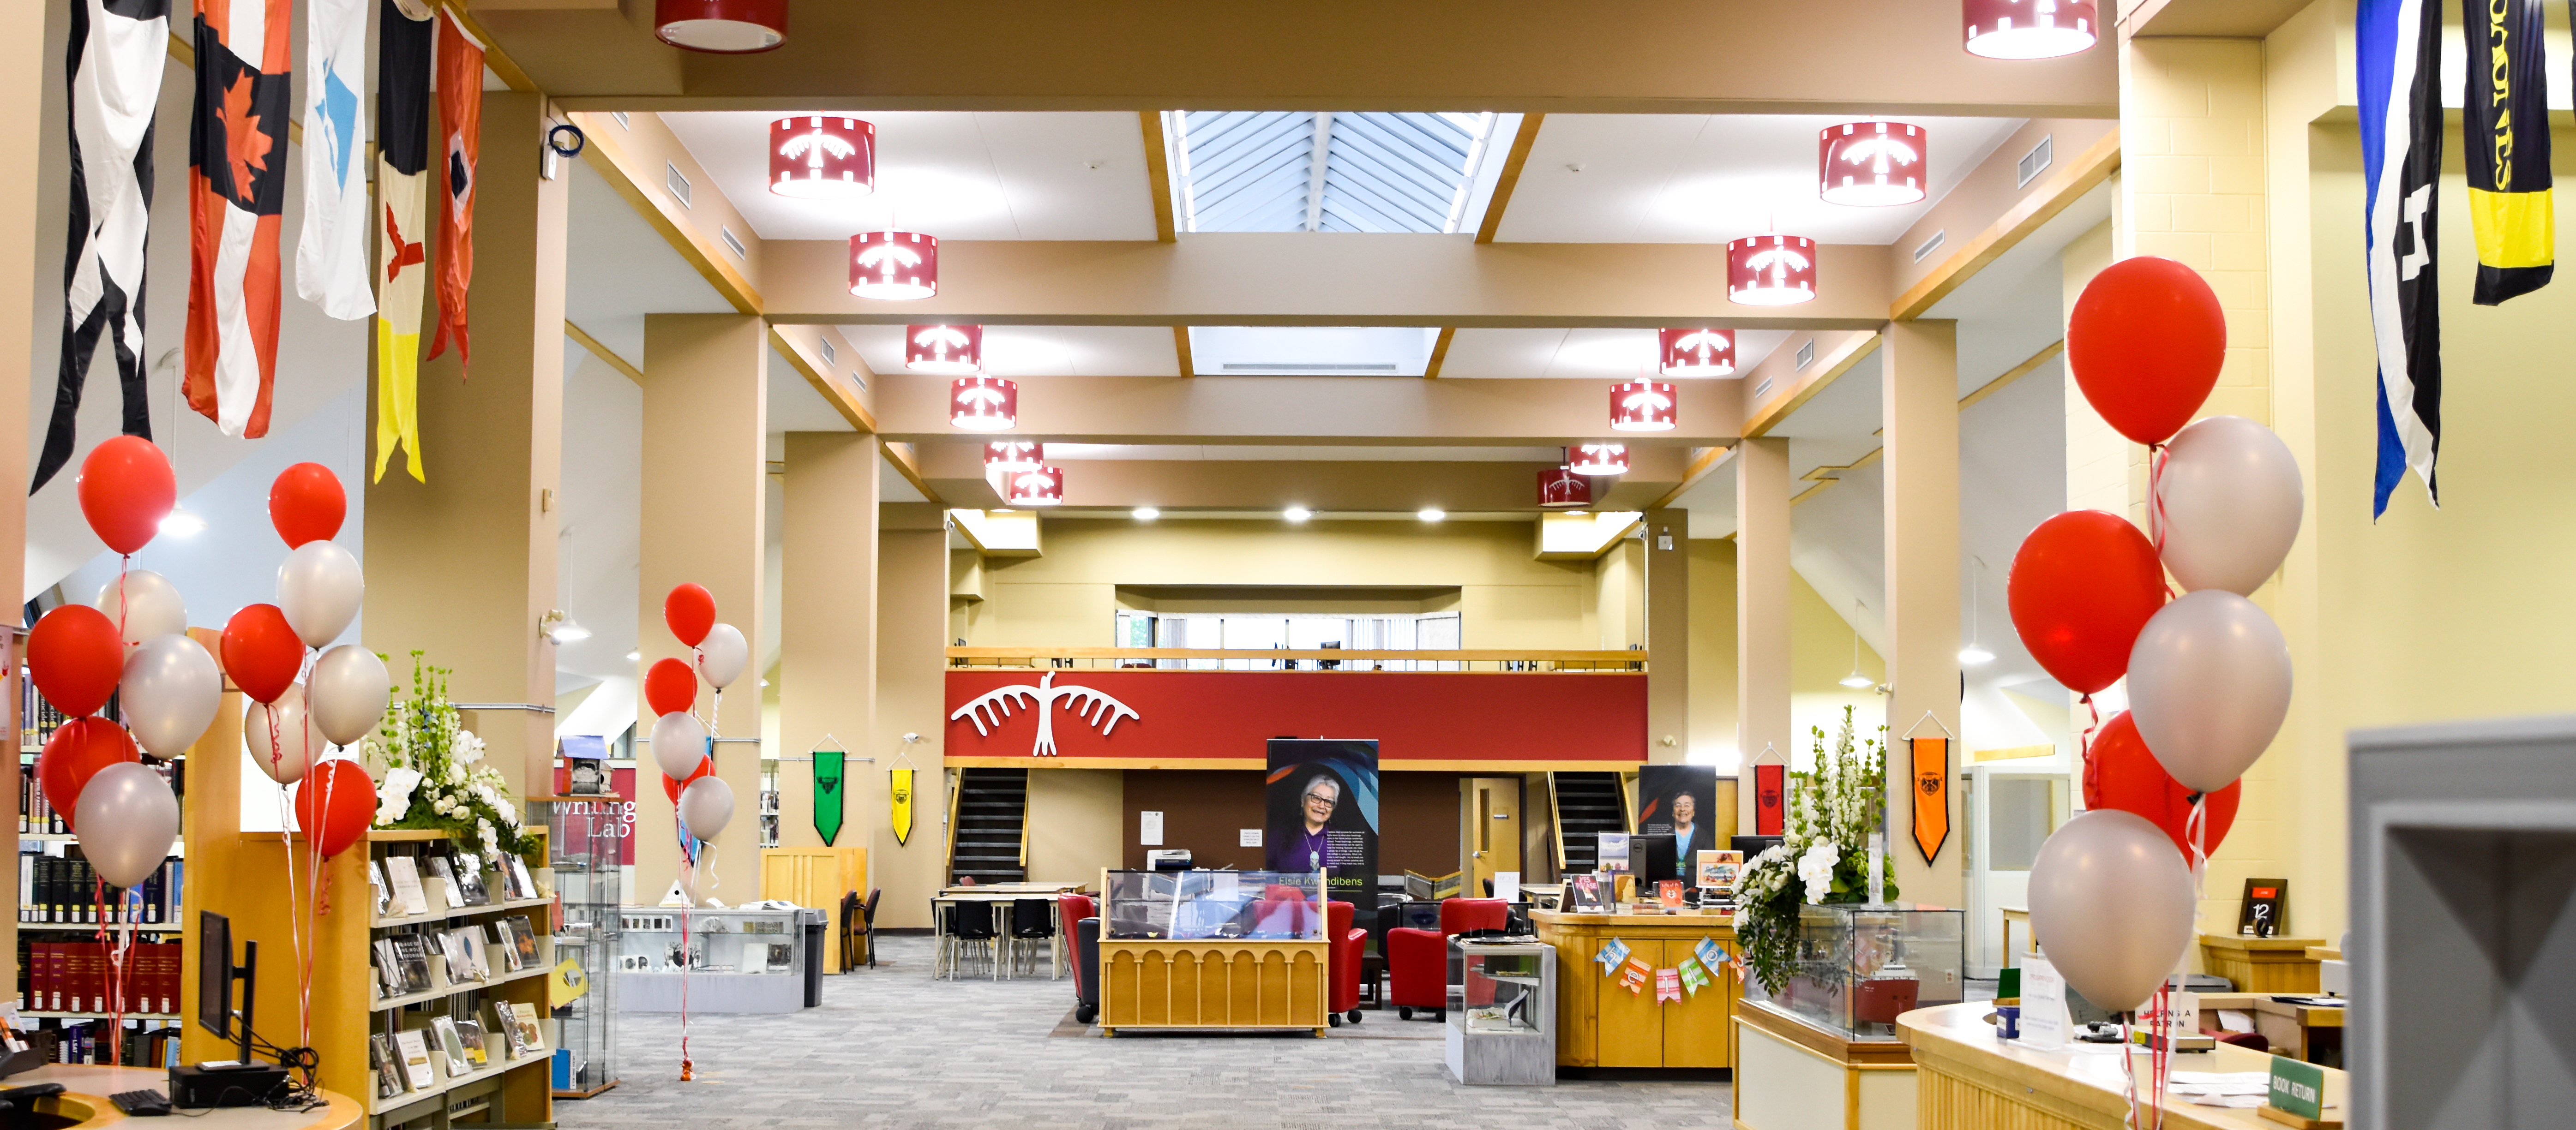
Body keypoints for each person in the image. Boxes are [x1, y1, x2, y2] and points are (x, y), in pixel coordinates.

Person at [1268, 772, 1340, 873]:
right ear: (1303, 801)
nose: (1321, 806)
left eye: (1328, 802)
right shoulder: (1280, 836)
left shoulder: (1341, 841)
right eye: (1316, 798)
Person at [1667, 791, 1701, 878]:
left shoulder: (1703, 836)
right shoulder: (1665, 836)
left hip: (1695, 888)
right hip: (1669, 885)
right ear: (1673, 812)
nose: (1682, 809)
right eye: (1678, 805)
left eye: (1687, 805)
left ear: (1693, 812)